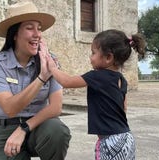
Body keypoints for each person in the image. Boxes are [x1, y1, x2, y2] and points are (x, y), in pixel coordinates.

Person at [0, 2, 71, 160]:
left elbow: (56, 107)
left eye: (39, 28)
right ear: (15, 34)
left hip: (38, 126)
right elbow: (10, 109)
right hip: (5, 129)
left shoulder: (49, 60)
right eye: (30, 28)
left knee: (57, 131)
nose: (37, 34)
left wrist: (24, 128)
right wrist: (41, 78)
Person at [43, 29, 146, 160]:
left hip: (110, 141)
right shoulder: (121, 79)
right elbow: (123, 108)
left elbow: (67, 81)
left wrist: (52, 68)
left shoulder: (97, 76)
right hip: (126, 137)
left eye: (93, 53)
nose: (90, 57)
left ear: (108, 57)